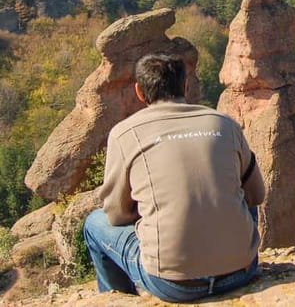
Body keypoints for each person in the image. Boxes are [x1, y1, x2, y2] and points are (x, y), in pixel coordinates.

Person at [83, 52, 265, 302]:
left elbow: (115, 214)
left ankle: (119, 299)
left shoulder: (124, 133)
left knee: (94, 223)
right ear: (186, 85)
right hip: (241, 271)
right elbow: (257, 195)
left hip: (173, 284)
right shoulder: (224, 123)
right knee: (241, 190)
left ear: (139, 91)